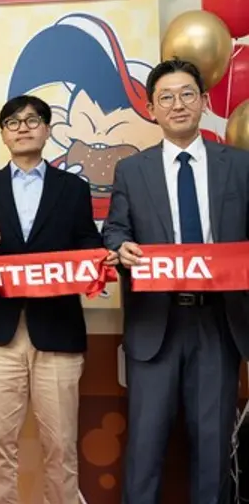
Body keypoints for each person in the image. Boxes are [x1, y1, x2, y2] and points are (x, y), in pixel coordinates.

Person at [103, 58, 249, 503]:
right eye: (166, 97)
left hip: (219, 322)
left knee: (212, 445)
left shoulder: (240, 166)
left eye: (187, 94)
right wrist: (121, 249)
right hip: (155, 323)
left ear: (204, 101)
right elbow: (115, 230)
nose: (177, 104)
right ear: (151, 109)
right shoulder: (132, 170)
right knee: (145, 446)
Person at [0, 95, 117, 504]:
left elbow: (87, 244)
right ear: (3, 134)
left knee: (61, 446)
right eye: (13, 122)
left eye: (32, 120)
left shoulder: (73, 188)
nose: (23, 128)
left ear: (48, 130)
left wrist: (99, 258)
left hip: (58, 330)